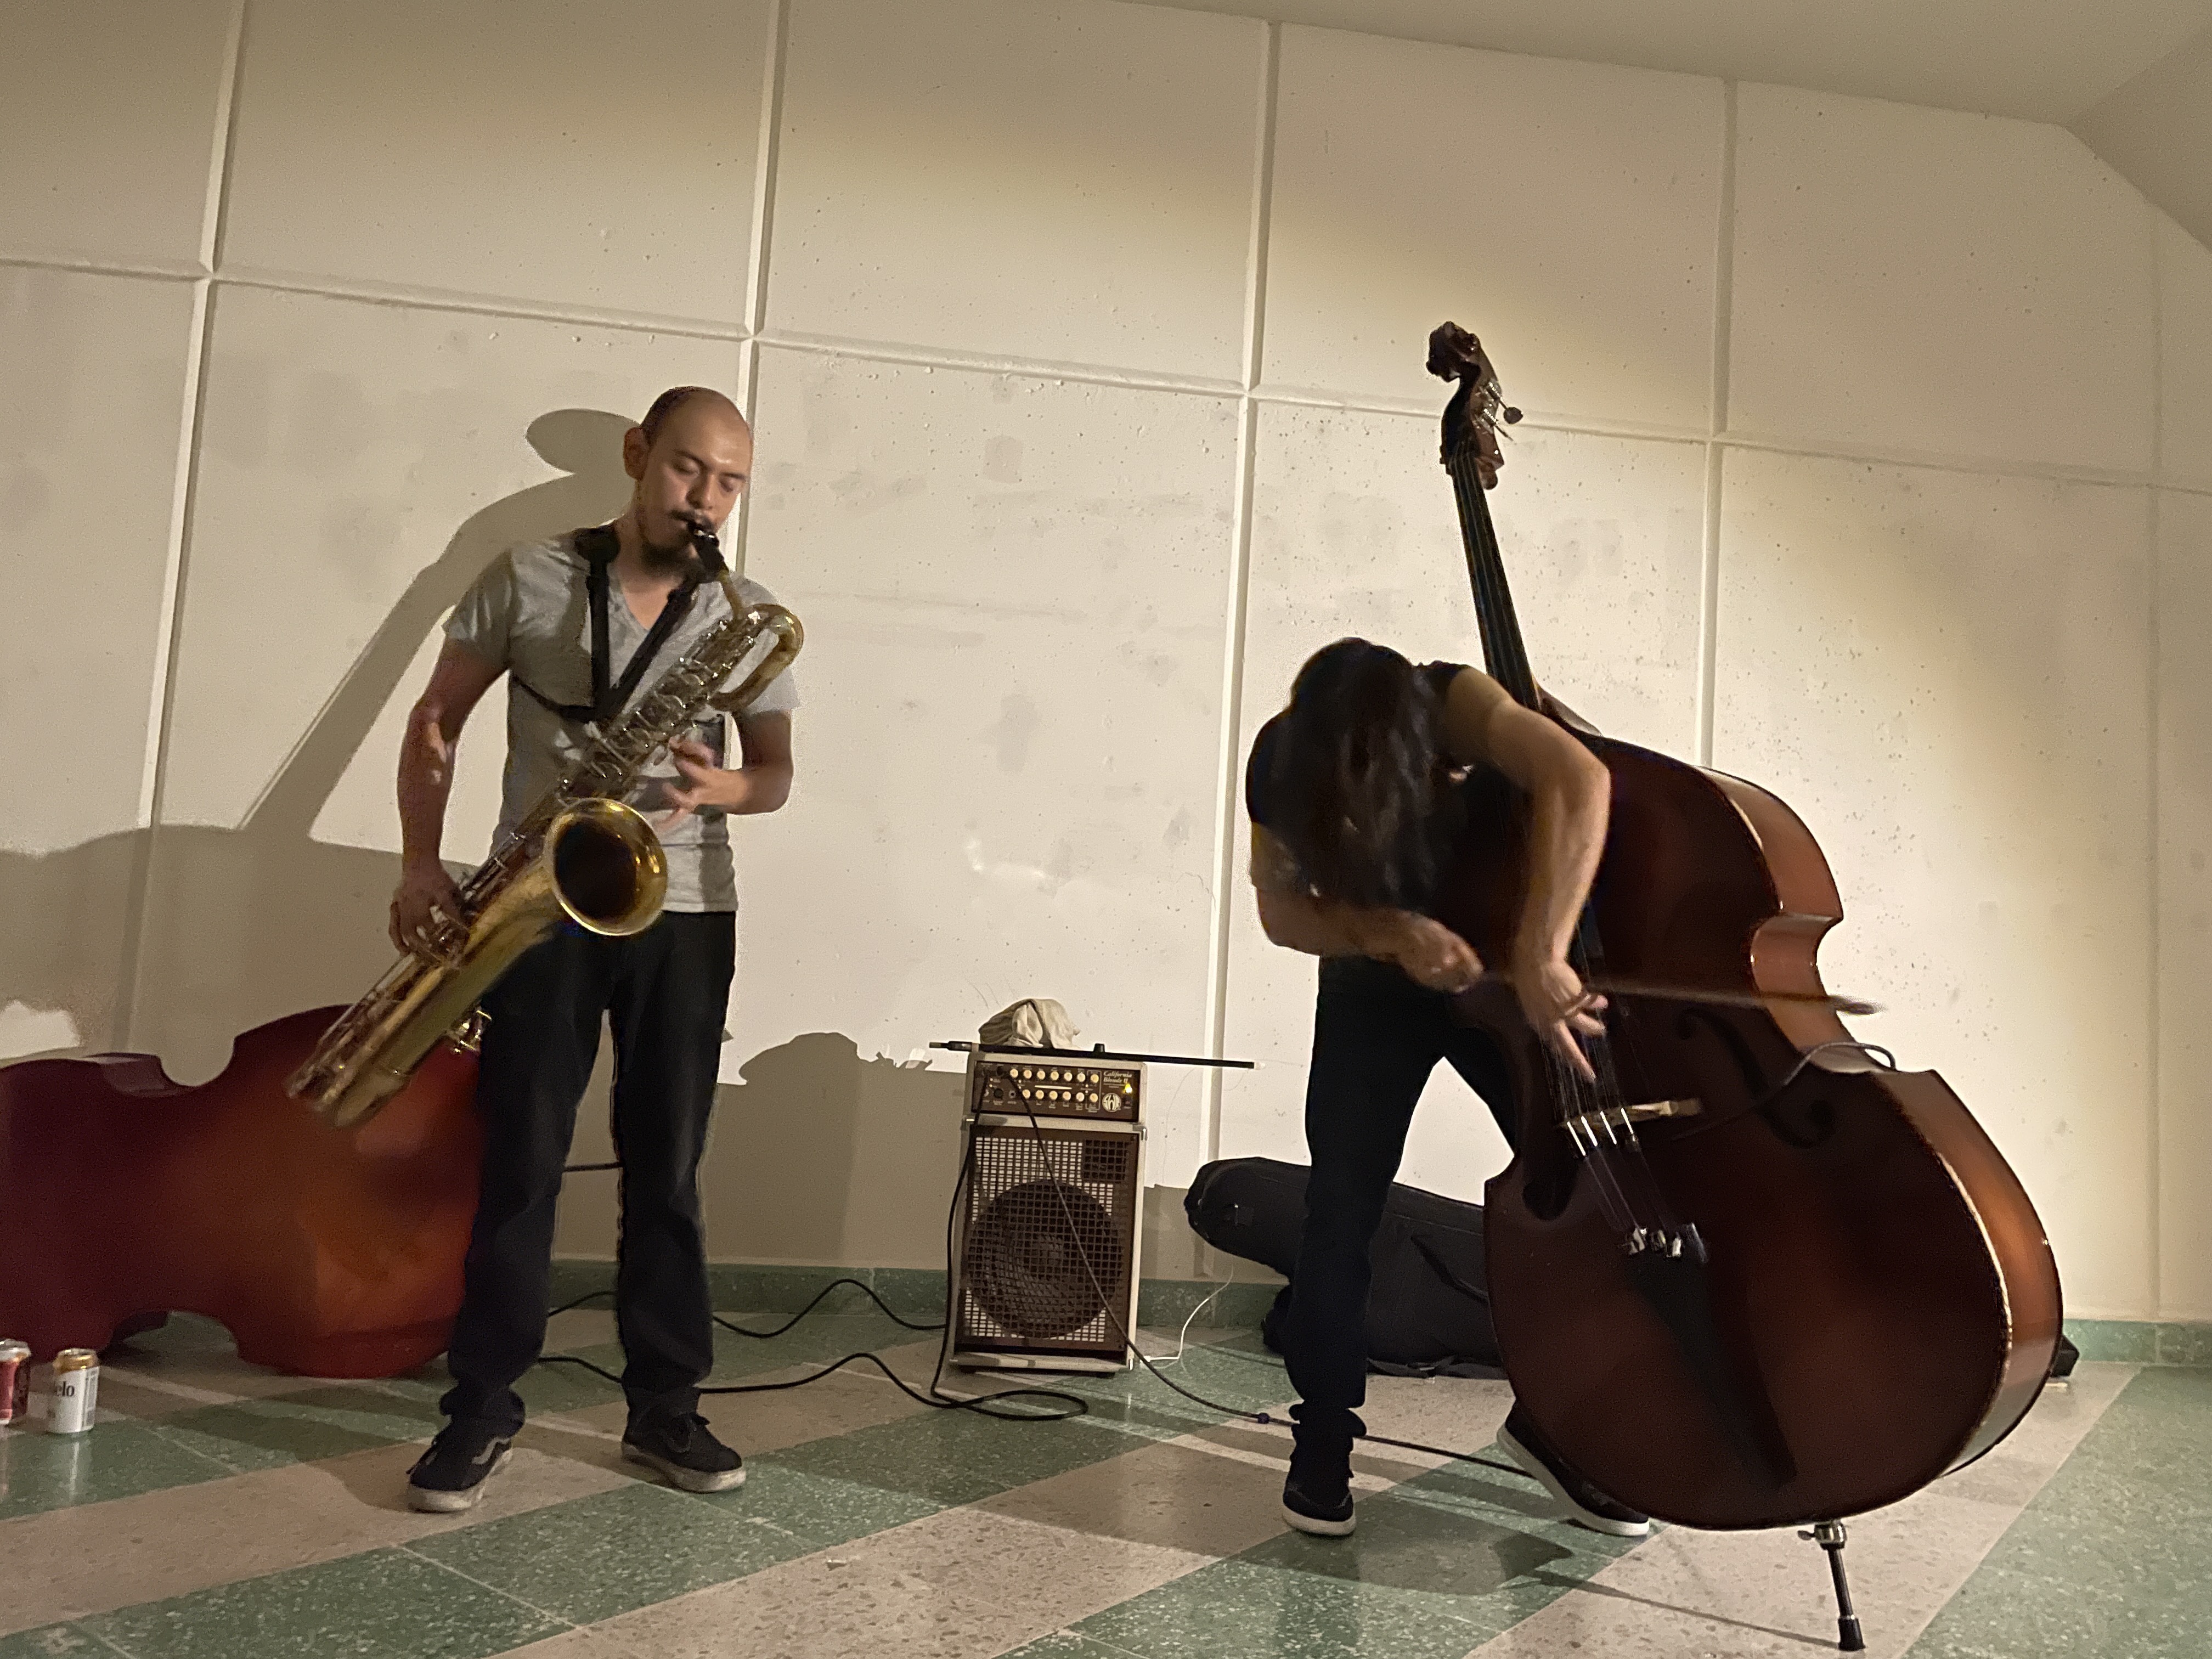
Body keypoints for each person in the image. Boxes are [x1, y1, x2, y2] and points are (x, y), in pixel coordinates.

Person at [391, 386, 798, 1513]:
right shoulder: (526, 576)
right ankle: (481, 1407)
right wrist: (420, 863)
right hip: (538, 902)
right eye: (687, 468)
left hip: (688, 910)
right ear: (637, 455)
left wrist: (727, 788)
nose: (706, 497)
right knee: (519, 1161)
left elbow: (775, 774)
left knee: (668, 1168)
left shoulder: (747, 614)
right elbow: (434, 721)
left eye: (729, 482)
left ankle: (666, 1407)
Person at [1246, 631, 1652, 1540]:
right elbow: (1282, 913)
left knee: (1585, 1198)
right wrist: (1389, 934)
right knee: (1340, 1209)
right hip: (1375, 982)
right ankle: (1322, 1442)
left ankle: (1560, 1430)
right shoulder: (1279, 763)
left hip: (1507, 975)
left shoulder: (1454, 700)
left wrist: (1544, 949)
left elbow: (1581, 778)